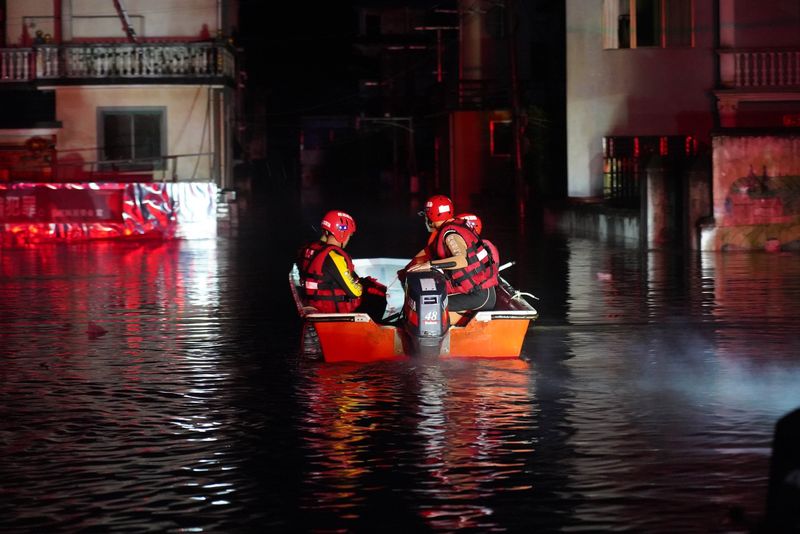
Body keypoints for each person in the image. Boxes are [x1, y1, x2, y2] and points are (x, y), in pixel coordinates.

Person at [407, 195, 498, 312]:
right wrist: (408, 269)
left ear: (431, 215)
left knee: (427, 305)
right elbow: (428, 252)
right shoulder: (456, 226)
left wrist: (430, 265)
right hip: (480, 291)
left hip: (478, 295)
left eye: (426, 215)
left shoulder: (450, 234)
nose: (425, 219)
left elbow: (461, 260)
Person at [297, 210, 387, 322]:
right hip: (332, 310)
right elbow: (355, 292)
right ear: (342, 234)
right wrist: (362, 285)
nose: (348, 239)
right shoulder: (334, 256)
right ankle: (370, 329)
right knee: (378, 293)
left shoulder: (308, 249)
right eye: (349, 235)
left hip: (313, 302)